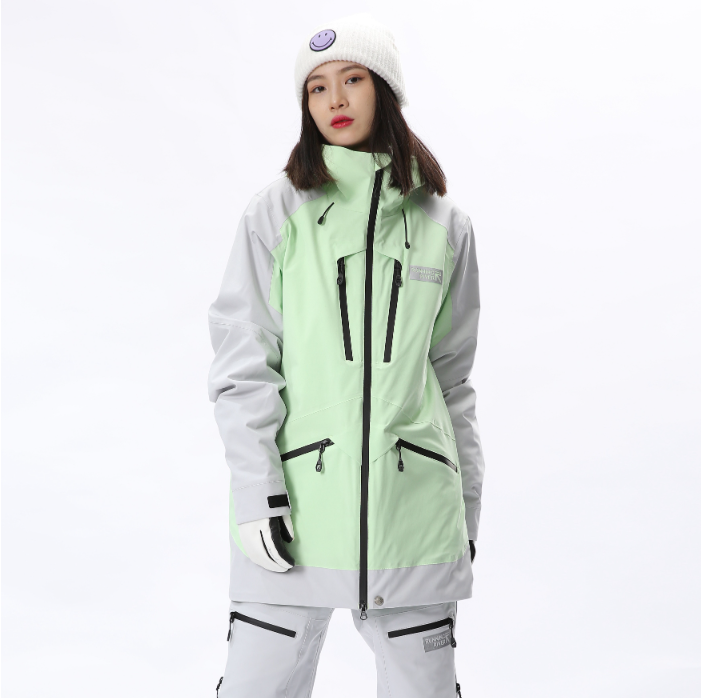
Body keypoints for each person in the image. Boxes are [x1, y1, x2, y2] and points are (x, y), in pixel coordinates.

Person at [207, 13, 485, 697]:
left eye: (353, 79)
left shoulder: (446, 225)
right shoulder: (276, 213)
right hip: (295, 509)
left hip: (413, 511)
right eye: (317, 87)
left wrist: (466, 508)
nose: (334, 99)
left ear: (384, 89)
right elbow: (244, 365)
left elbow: (453, 383)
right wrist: (255, 490)